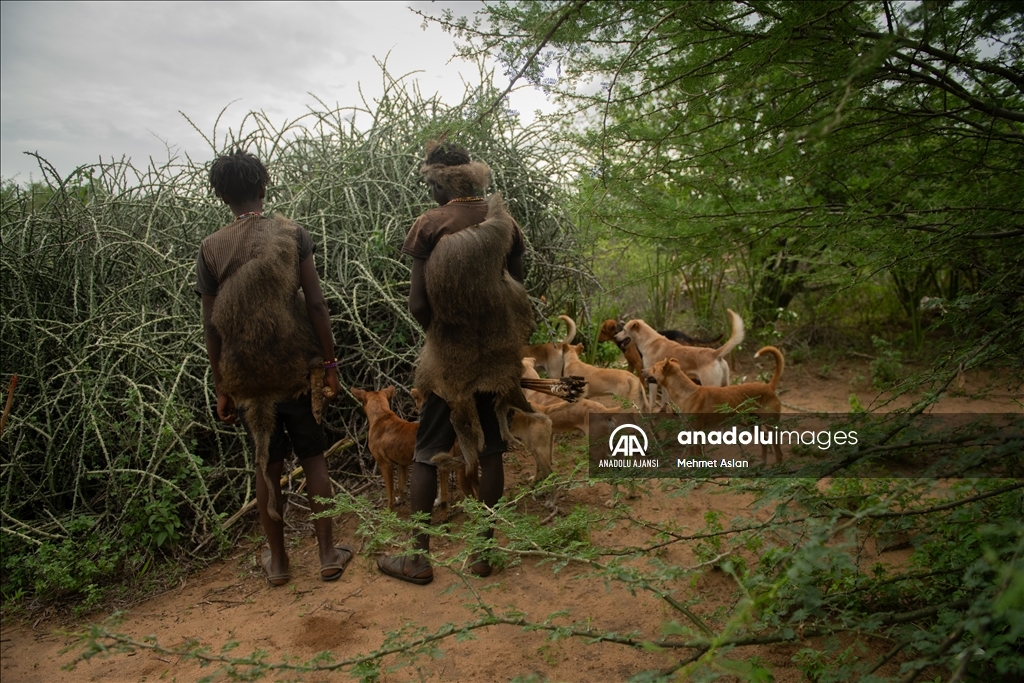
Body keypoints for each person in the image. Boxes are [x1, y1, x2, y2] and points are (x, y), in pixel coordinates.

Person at [196, 150, 353, 585]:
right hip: (295, 367)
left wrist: (221, 384)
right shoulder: (292, 234)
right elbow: (317, 304)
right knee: (314, 457)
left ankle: (279, 562)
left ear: (221, 195)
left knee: (266, 462)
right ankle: (327, 554)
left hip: (246, 375)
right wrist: (330, 362)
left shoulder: (210, 249)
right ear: (264, 186)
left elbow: (212, 326)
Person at [376, 141, 526, 585]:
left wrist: (440, 336)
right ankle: (482, 551)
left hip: (448, 356)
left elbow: (418, 302)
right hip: (497, 354)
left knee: (426, 452)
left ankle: (419, 558)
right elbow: (516, 285)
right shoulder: (504, 222)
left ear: (437, 183)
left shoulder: (430, 224)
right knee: (493, 447)